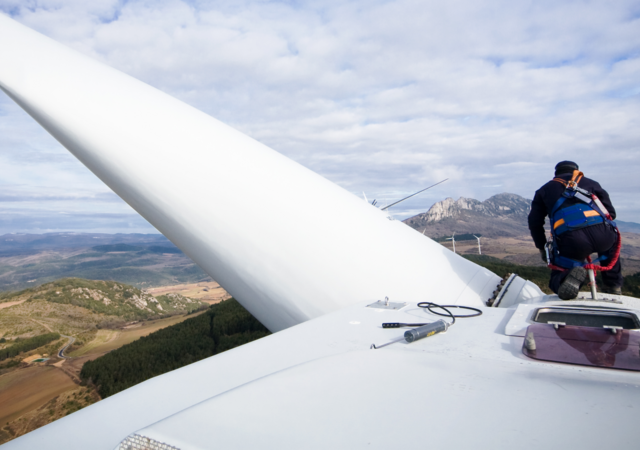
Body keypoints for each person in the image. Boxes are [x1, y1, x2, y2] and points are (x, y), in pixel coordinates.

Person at [528, 161, 622, 299]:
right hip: (604, 235)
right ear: (576, 171)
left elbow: (534, 222)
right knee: (609, 248)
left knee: (560, 266)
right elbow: (611, 214)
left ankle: (563, 280)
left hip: (573, 241)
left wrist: (542, 248)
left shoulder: (544, 190)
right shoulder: (592, 183)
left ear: (556, 174)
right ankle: (613, 285)